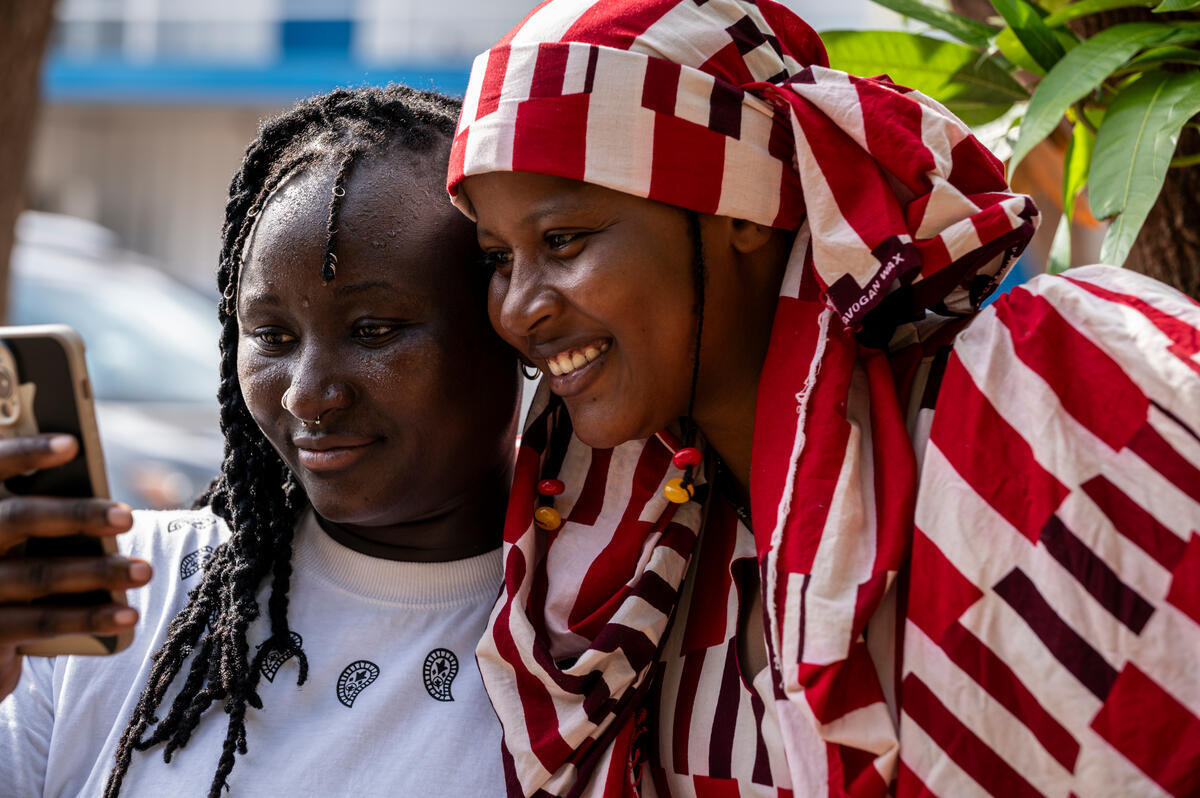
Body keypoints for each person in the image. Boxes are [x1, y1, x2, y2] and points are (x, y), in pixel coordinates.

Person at [445, 1, 1200, 796]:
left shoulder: (1053, 388)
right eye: (498, 256)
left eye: (562, 241)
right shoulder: (618, 572)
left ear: (739, 210)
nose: (518, 306)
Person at [0, 85, 518, 797]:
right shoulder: (120, 590)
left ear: (510, 324)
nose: (305, 393)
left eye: (374, 331)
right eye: (271, 337)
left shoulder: (591, 637)